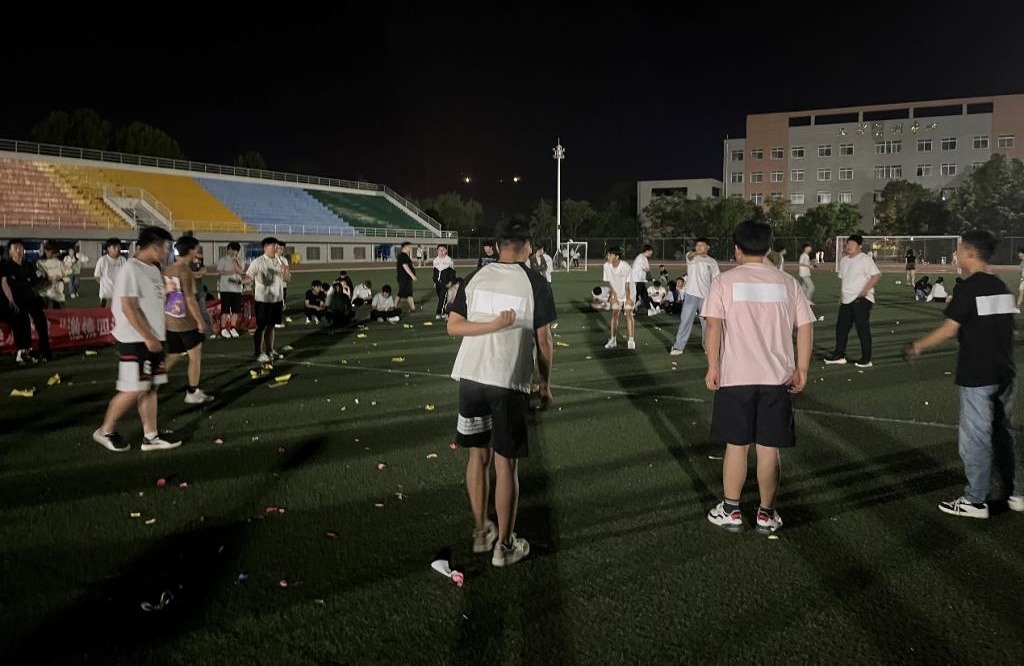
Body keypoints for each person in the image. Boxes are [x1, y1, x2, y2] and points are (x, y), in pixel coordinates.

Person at [448, 216, 556, 568]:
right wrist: (544, 383)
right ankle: (505, 547)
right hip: (507, 381)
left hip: (470, 376)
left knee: (476, 456)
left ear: (495, 247)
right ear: (528, 248)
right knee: (505, 464)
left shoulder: (476, 276)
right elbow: (544, 341)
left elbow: (453, 326)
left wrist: (489, 325)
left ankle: (482, 532)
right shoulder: (535, 282)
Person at [703, 219, 813, 534]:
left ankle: (731, 510)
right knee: (768, 448)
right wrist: (802, 368)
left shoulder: (724, 282)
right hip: (776, 378)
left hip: (735, 376)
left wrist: (713, 366)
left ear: (737, 249)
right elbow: (805, 326)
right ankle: (766, 514)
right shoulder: (787, 283)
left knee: (736, 445)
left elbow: (713, 326)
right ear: (768, 247)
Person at [905, 230, 1023, 518]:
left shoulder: (968, 288)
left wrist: (917, 346)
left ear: (970, 252)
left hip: (977, 374)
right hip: (1004, 371)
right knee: (1002, 433)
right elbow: (1009, 328)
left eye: (959, 250)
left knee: (975, 438)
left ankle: (975, 500)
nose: (956, 255)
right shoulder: (1001, 285)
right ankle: (1017, 493)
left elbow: (949, 329)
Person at [92, 226, 181, 453]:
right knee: (133, 388)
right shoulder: (130, 269)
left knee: (149, 387)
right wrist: (148, 336)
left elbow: (152, 303)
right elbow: (128, 307)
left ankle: (151, 436)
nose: (168, 252)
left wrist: (168, 292)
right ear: (154, 248)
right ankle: (105, 430)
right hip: (136, 339)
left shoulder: (153, 270)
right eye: (166, 248)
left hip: (153, 338)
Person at [163, 235, 215, 405]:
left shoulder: (168, 269)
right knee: (195, 356)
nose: (197, 253)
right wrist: (200, 321)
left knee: (174, 354)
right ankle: (192, 391)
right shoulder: (185, 271)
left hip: (171, 320)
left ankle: (153, 380)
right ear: (190, 250)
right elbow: (190, 299)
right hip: (186, 322)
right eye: (196, 249)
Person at [824, 234, 880, 368]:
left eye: (852, 244)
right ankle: (839, 355)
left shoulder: (865, 259)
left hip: (861, 299)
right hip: (846, 299)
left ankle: (866, 359)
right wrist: (841, 295)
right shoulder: (844, 261)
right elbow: (845, 279)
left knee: (862, 329)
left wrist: (865, 291)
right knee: (841, 328)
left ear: (859, 246)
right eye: (848, 244)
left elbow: (876, 276)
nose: (849, 247)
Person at [1, 239, 51, 364]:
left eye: (20, 248)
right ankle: (23, 351)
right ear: (10, 251)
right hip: (16, 301)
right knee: (21, 319)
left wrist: (47, 281)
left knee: (41, 320)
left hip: (30, 299)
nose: (18, 251)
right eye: (15, 248)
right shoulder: (6, 267)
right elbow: (4, 284)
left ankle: (44, 352)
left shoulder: (29, 265)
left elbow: (35, 283)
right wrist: (11, 300)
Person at [671, 238, 720, 355]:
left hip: (706, 296)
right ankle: (678, 346)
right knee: (685, 321)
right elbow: (690, 255)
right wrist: (696, 252)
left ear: (708, 247)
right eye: (697, 245)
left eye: (702, 245)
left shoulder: (712, 262)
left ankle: (707, 346)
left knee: (706, 324)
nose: (699, 247)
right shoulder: (692, 257)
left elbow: (716, 279)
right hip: (691, 294)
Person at [245, 237, 291, 363]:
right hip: (263, 300)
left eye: (277, 246)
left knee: (271, 327)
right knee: (261, 327)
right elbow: (249, 276)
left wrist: (285, 272)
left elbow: (287, 280)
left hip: (277, 299)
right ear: (265, 247)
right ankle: (258, 352)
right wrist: (242, 281)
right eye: (273, 246)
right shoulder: (258, 262)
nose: (276, 248)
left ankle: (270, 350)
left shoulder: (282, 261)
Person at [602, 246, 634, 349]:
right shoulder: (606, 266)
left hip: (629, 291)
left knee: (628, 312)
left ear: (617, 256)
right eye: (608, 255)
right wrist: (614, 295)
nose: (608, 257)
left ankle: (631, 341)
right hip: (616, 291)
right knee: (615, 312)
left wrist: (628, 299)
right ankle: (613, 340)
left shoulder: (626, 266)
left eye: (610, 255)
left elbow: (627, 285)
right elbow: (610, 282)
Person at [216, 241, 245, 339]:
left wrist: (235, 262)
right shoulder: (223, 259)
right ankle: (223, 329)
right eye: (231, 250)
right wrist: (230, 272)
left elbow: (240, 271)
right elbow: (220, 271)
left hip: (237, 289)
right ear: (228, 250)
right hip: (225, 289)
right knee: (225, 310)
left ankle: (233, 328)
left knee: (236, 310)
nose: (233, 252)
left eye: (235, 250)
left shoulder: (240, 260)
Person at [37, 241, 68, 309]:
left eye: (55, 253)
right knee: (46, 313)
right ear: (46, 251)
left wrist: (61, 278)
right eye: (52, 252)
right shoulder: (40, 263)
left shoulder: (60, 263)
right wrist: (48, 279)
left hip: (58, 295)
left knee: (59, 313)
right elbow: (37, 278)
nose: (54, 255)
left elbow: (67, 278)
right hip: (45, 295)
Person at [94, 238, 125, 308]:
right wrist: (105, 284)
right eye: (114, 247)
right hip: (106, 295)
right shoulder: (102, 260)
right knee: (105, 313)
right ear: (108, 248)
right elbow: (97, 276)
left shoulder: (123, 260)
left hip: (120, 295)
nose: (117, 249)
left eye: (119, 247)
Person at [432, 244, 456, 319]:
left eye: (443, 250)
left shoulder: (449, 260)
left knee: (442, 297)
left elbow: (452, 273)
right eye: (439, 250)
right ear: (437, 251)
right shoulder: (435, 260)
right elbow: (435, 272)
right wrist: (434, 282)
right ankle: (445, 312)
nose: (441, 251)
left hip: (446, 283)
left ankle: (439, 313)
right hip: (438, 283)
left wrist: (451, 282)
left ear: (446, 251)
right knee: (441, 298)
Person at [631, 244, 654, 311]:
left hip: (639, 279)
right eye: (651, 251)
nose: (652, 252)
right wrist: (649, 270)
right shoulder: (642, 258)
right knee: (636, 296)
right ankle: (629, 309)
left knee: (644, 295)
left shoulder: (641, 257)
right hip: (637, 280)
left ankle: (649, 309)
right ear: (647, 251)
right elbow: (646, 269)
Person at [396, 242, 417, 312]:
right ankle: (394, 306)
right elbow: (405, 266)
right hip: (404, 278)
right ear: (405, 247)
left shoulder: (404, 255)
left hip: (405, 278)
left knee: (408, 293)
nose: (411, 248)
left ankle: (412, 308)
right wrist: (412, 275)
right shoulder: (403, 256)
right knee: (401, 293)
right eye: (409, 247)